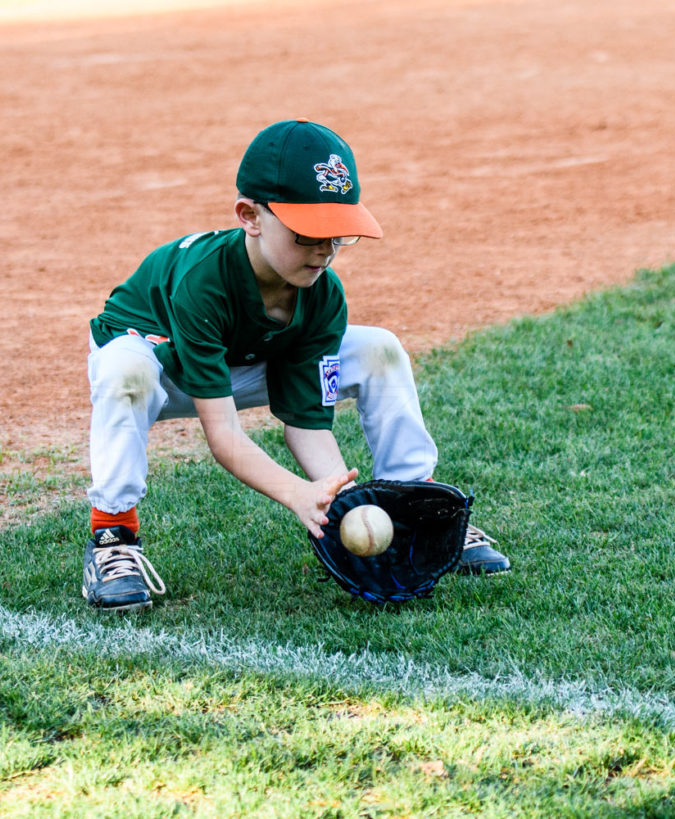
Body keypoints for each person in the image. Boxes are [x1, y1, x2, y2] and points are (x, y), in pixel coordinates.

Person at [82, 118, 510, 611]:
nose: (325, 250)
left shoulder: (321, 292)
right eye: (309, 233)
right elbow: (223, 436)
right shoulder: (206, 282)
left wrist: (341, 504)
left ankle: (413, 504)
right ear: (250, 216)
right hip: (160, 361)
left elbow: (305, 424)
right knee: (125, 376)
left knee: (379, 349)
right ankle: (113, 536)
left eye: (338, 234)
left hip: (250, 354)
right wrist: (297, 494)